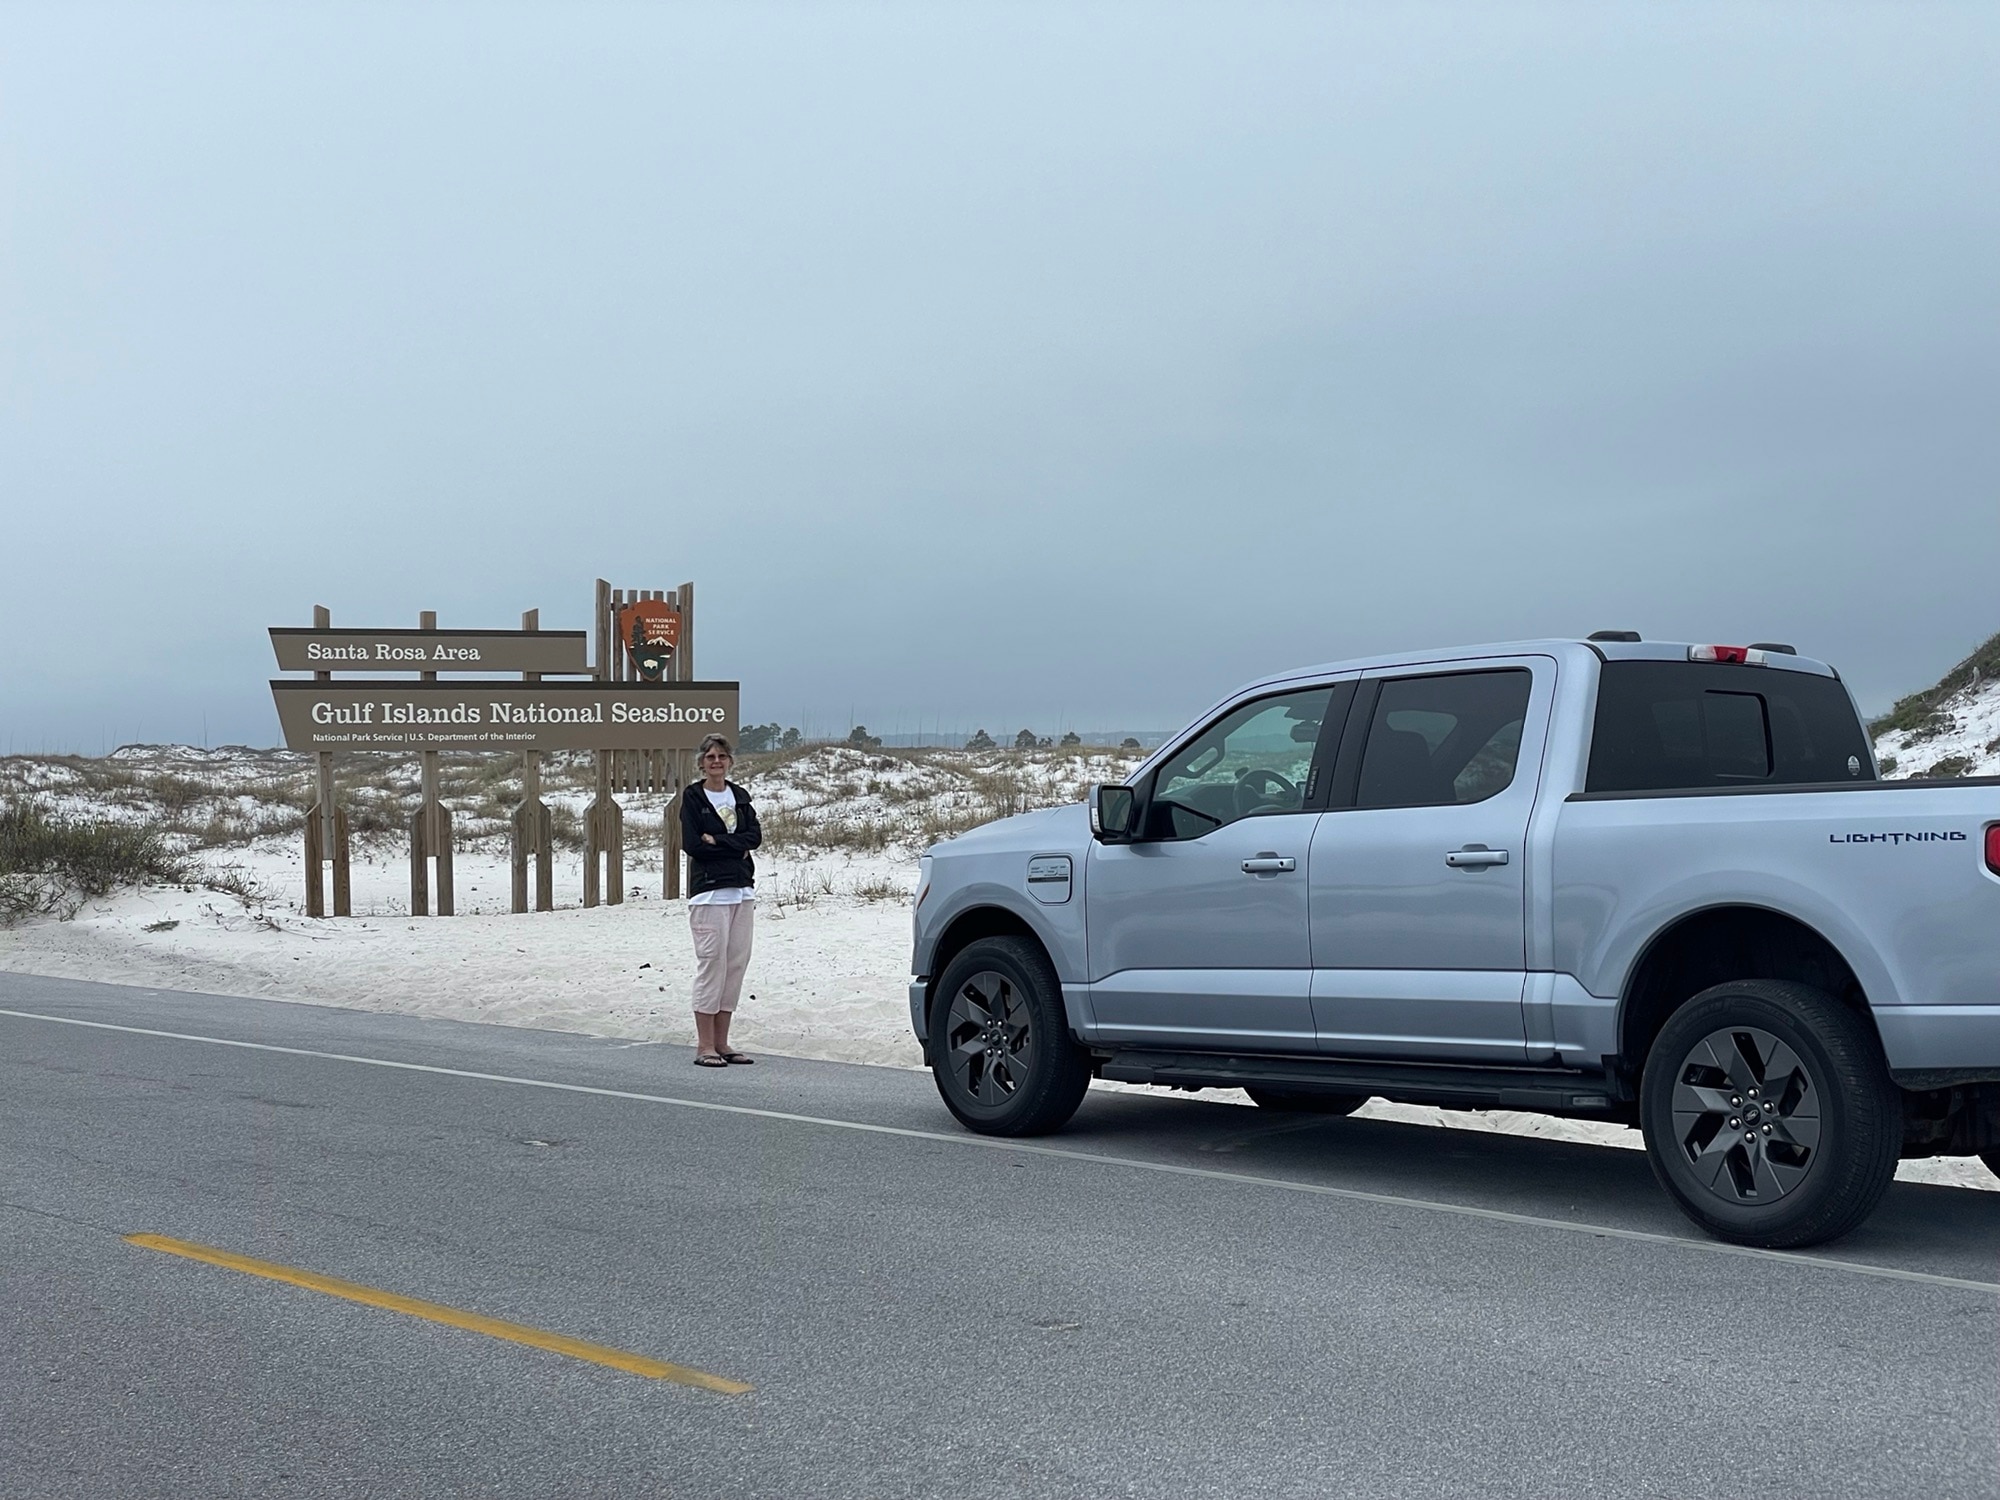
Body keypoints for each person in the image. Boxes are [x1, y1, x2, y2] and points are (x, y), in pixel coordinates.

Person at [679, 732, 762, 1066]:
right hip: (709, 893)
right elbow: (693, 844)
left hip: (741, 890)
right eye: (710, 757)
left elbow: (753, 837)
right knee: (712, 964)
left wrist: (720, 840)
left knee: (735, 965)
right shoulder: (693, 797)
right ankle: (705, 1045)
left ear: (729, 761)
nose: (716, 762)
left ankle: (723, 1042)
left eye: (722, 757)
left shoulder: (740, 796)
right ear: (701, 762)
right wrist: (733, 846)